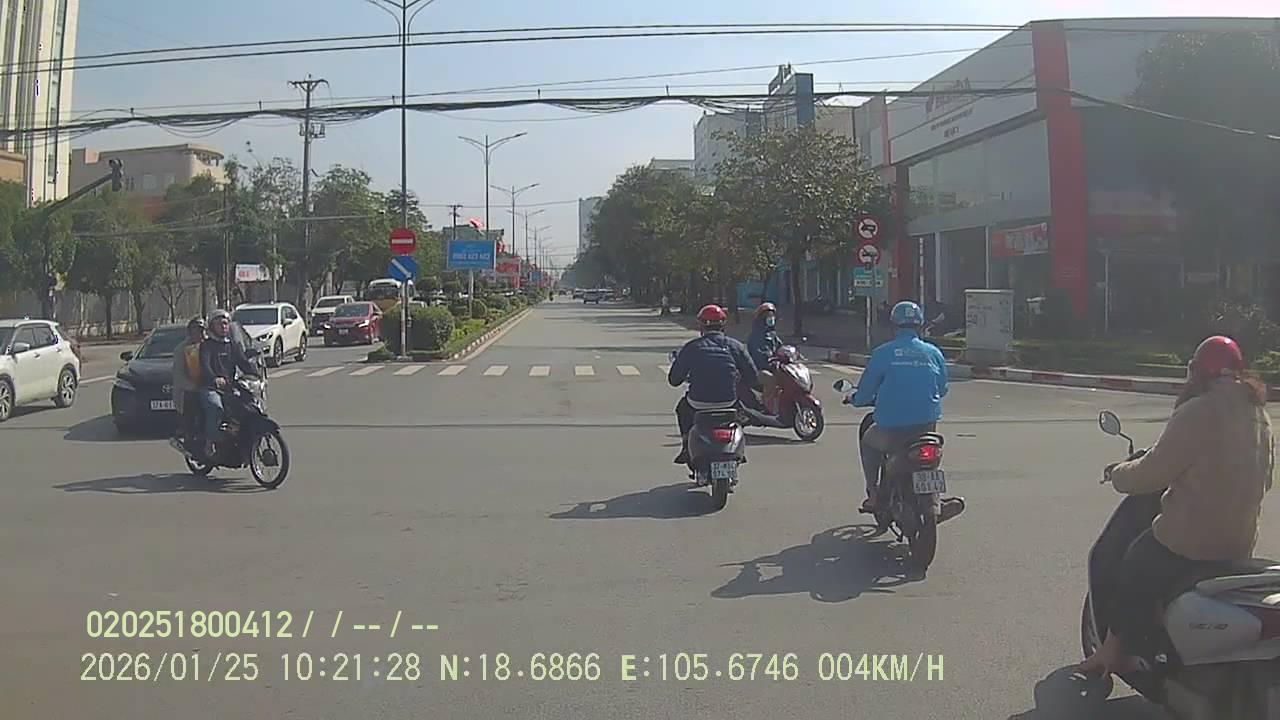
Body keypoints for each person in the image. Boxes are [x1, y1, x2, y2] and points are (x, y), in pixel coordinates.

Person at [1079, 335, 1274, 676]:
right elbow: (1265, 479)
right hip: (1239, 544)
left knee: (1135, 561)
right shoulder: (1260, 416)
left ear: (1199, 372)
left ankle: (1111, 652)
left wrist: (1118, 473)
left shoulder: (1198, 410)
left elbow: (1153, 472)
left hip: (1191, 542)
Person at [851, 300, 949, 513]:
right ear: (920, 326)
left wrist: (855, 399)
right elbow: (942, 389)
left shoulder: (883, 353)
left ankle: (873, 493)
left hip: (891, 431)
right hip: (926, 429)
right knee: (930, 460)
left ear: (893, 326)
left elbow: (865, 392)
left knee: (868, 441)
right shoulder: (933, 353)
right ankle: (936, 501)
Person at [668, 304, 759, 465]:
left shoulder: (692, 347)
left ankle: (686, 447)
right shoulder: (735, 346)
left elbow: (674, 380)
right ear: (723, 325)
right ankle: (738, 448)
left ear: (701, 325)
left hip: (697, 403)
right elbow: (753, 377)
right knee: (741, 414)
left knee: (682, 409)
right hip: (728, 402)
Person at [198, 309, 260, 457]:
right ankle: (210, 442)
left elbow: (242, 362)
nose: (223, 327)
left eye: (225, 323)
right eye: (219, 324)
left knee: (247, 406)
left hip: (230, 387)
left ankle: (237, 436)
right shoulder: (207, 346)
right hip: (211, 388)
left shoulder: (232, 345)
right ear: (212, 327)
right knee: (216, 407)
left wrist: (256, 374)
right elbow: (205, 366)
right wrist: (214, 378)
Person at [170, 317, 205, 450]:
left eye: (201, 331)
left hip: (208, 388)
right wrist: (195, 387)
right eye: (195, 331)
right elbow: (179, 377)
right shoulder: (181, 349)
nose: (199, 334)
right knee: (192, 404)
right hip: (187, 392)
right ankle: (190, 440)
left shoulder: (208, 345)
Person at [745, 302, 783, 410]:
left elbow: (781, 347)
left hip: (774, 367)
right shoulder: (756, 335)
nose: (771, 318)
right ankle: (766, 406)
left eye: (772, 316)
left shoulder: (773, 334)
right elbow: (758, 357)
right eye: (768, 316)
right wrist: (770, 360)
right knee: (770, 379)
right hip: (758, 370)